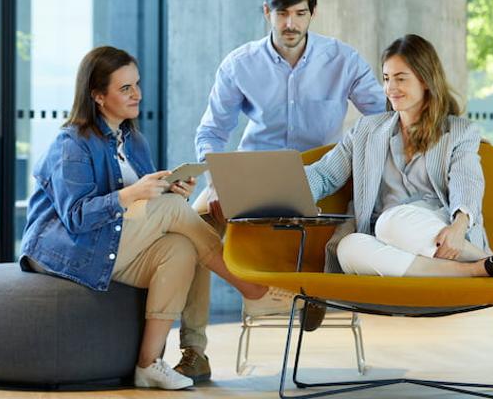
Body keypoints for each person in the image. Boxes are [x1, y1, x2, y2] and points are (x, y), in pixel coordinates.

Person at [19, 46, 296, 390]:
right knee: (174, 213)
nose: (137, 94)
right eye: (125, 88)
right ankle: (250, 287)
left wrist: (168, 188)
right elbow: (76, 218)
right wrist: (133, 194)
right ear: (98, 96)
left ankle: (148, 364)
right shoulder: (71, 143)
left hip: (115, 242)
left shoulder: (132, 140)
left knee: (180, 248)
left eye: (136, 84)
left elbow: (146, 207)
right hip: (72, 250)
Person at [180, 0, 386, 363]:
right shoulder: (239, 64)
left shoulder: (343, 60)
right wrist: (219, 181)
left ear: (313, 13)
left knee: (363, 215)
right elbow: (211, 132)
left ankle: (314, 288)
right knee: (193, 227)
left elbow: (381, 119)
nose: (290, 24)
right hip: (253, 176)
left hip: (323, 179)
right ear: (266, 12)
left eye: (299, 13)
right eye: (281, 14)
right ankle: (194, 350)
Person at [305, 34, 493, 278]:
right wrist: (279, 190)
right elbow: (325, 174)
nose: (390, 88)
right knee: (348, 248)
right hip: (390, 244)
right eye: (386, 79)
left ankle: (480, 260)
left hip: (441, 234)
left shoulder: (459, 132)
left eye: (400, 79)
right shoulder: (366, 130)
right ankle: (483, 266)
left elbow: (467, 181)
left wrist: (459, 227)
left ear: (425, 81)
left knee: (391, 222)